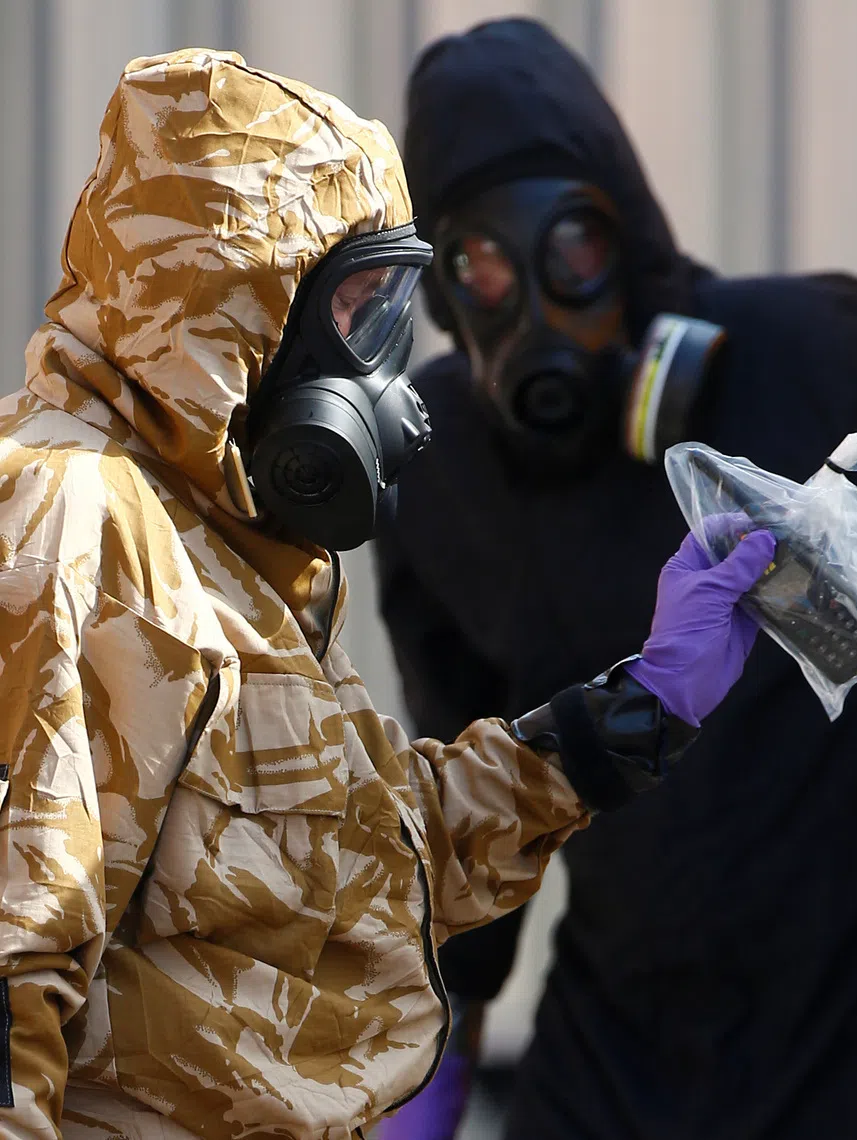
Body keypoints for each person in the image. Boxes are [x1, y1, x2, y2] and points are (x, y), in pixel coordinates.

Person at [372, 18, 857, 1140]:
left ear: (630, 240)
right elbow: (470, 786)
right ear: (440, 294)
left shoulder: (840, 362)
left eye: (570, 247)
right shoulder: (441, 476)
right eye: (478, 265)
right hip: (621, 1072)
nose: (529, 300)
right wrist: (442, 1030)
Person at [0, 48, 779, 1139]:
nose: (386, 375)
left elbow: (374, 845)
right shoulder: (69, 523)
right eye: (358, 313)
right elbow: (15, 953)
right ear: (234, 308)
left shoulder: (228, 550)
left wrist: (636, 711)